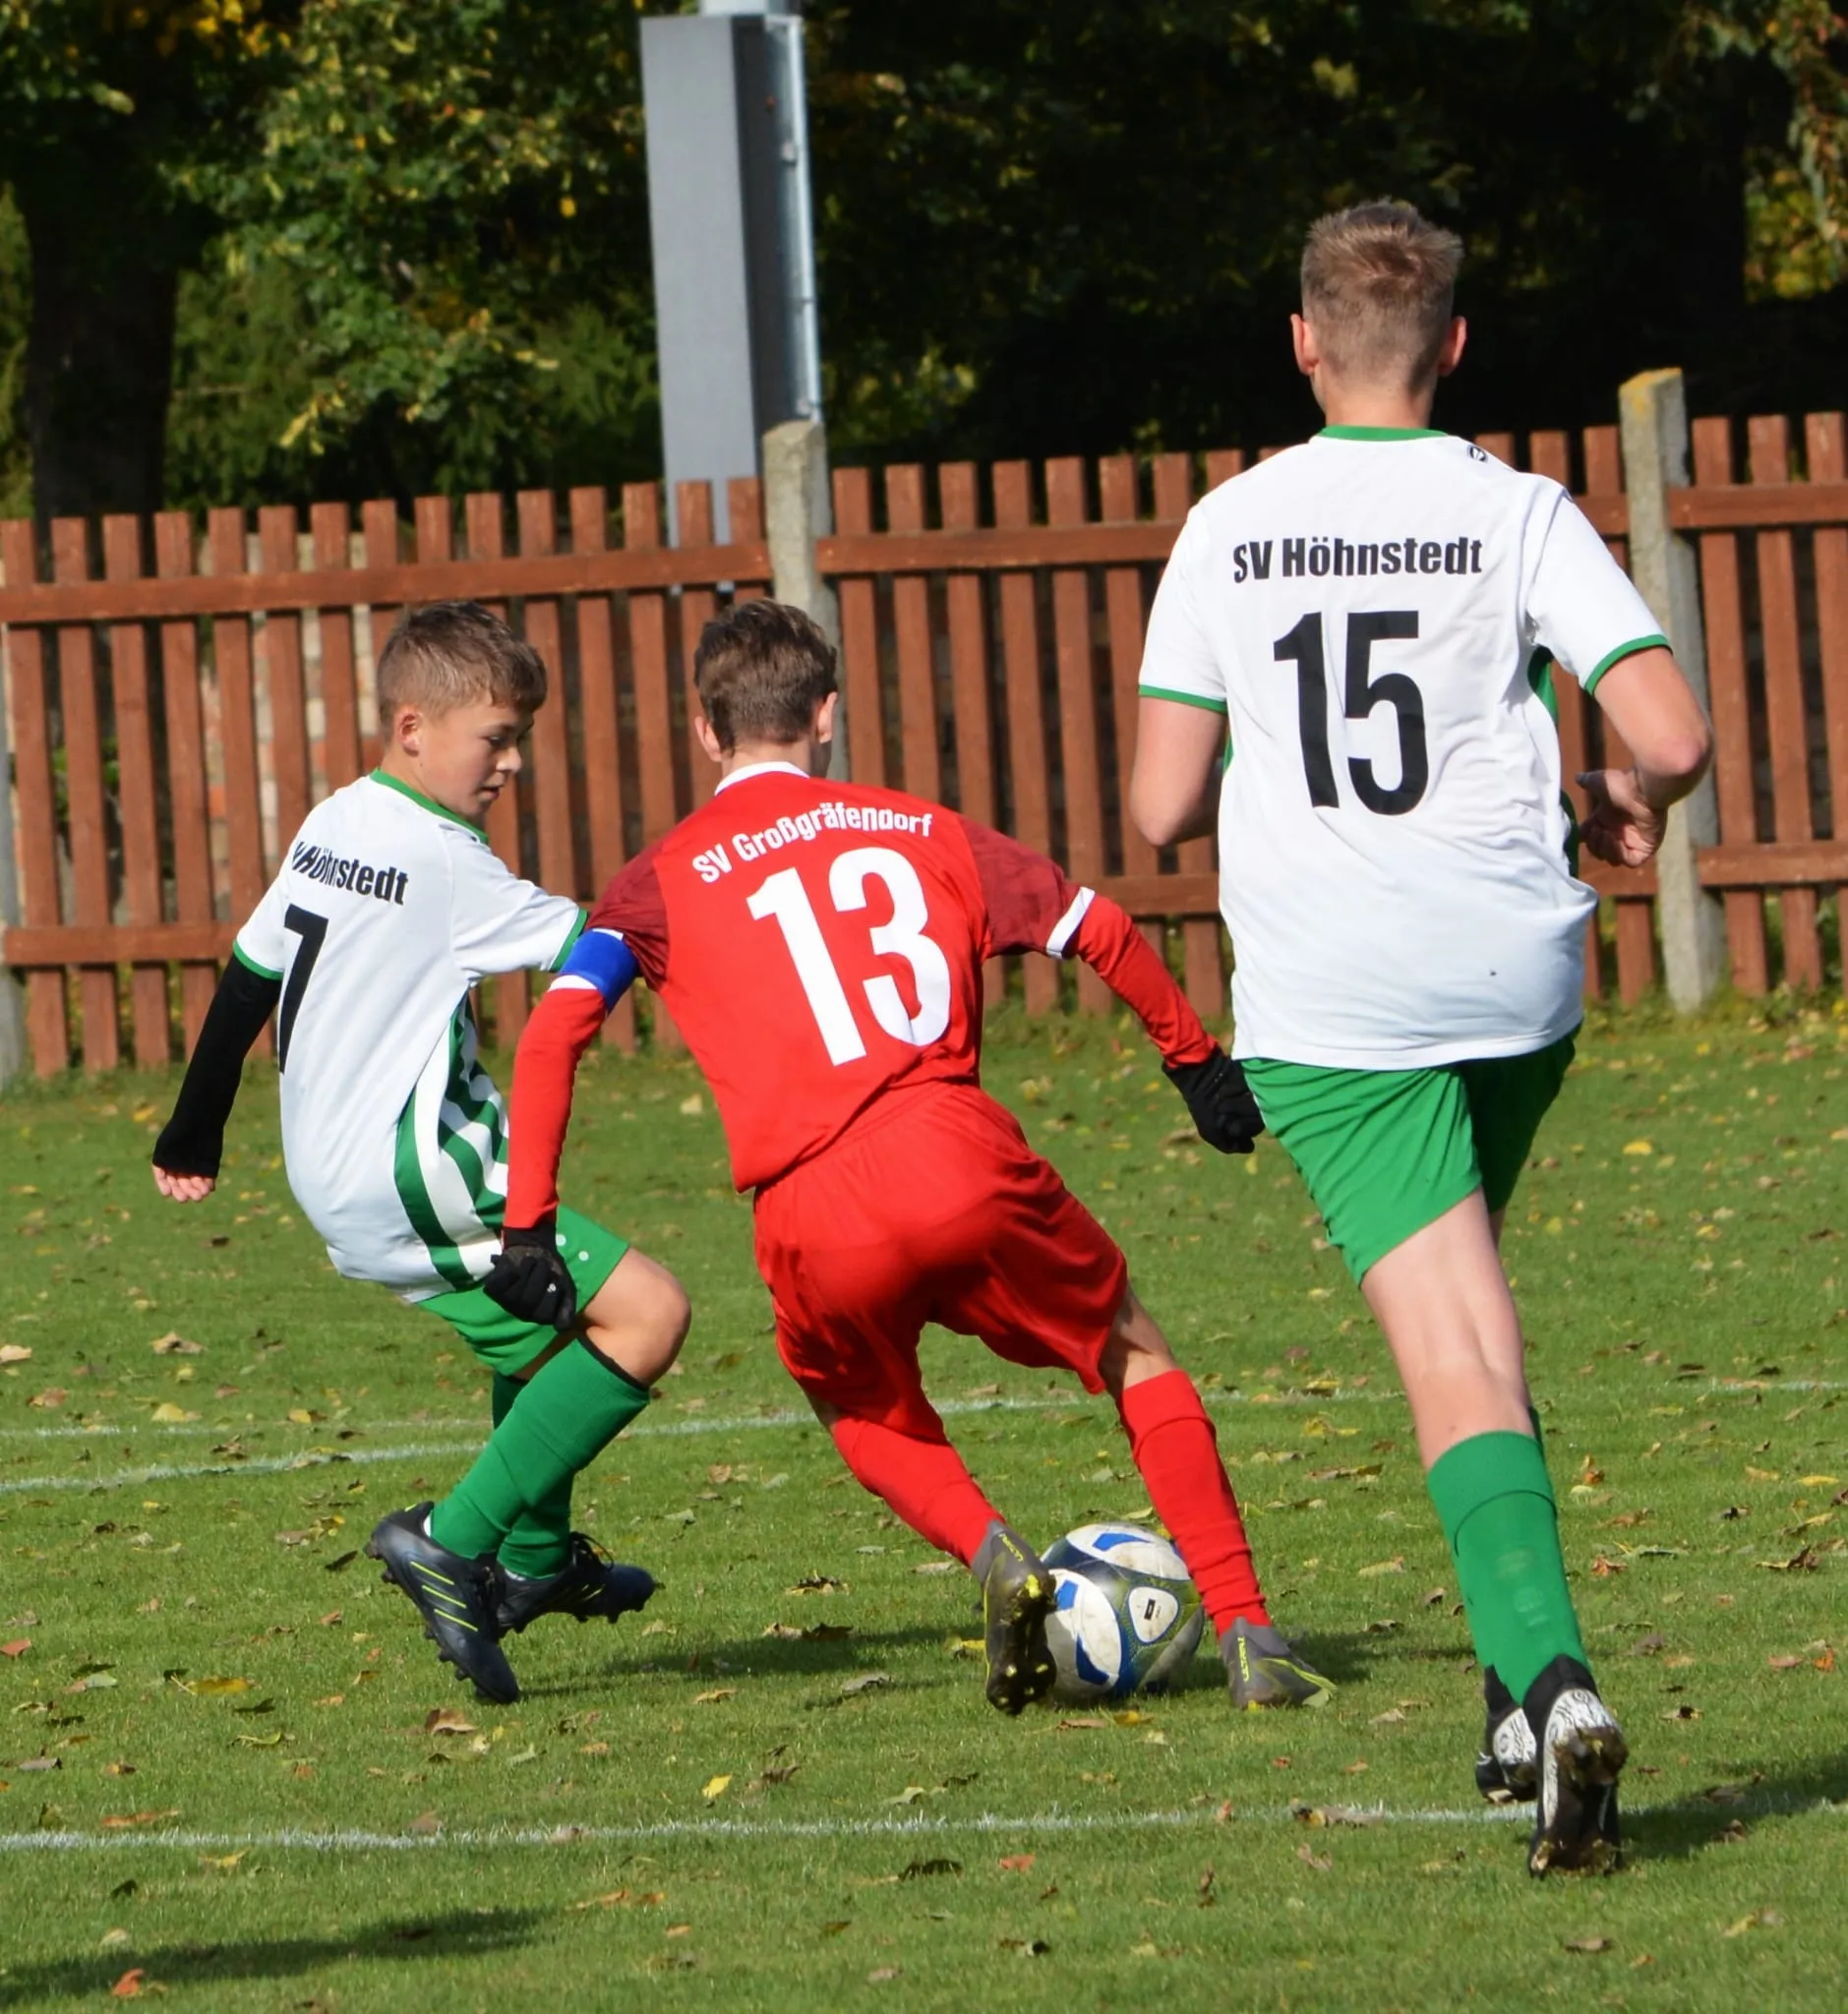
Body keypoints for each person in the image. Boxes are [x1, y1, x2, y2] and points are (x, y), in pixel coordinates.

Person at [1129, 202, 1713, 1873]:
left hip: (1336, 997)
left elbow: (1158, 804)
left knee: (1448, 1339)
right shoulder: (1512, 509)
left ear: (1300, 344)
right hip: (1509, 973)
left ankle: (1552, 1679)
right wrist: (1610, 791)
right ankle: (1506, 1696)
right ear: (1452, 345)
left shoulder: (1228, 526)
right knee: (1474, 1314)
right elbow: (1670, 736)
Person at [493, 597, 1328, 1718]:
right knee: (1132, 1349)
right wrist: (1194, 1060)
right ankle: (1248, 1629)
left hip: (808, 1208)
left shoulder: (658, 879)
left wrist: (528, 1224)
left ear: (703, 730)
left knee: (860, 1407)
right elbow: (1098, 926)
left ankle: (993, 1554)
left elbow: (552, 1034)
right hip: (958, 1152)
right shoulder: (919, 827)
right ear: (825, 714)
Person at [151, 601, 688, 1706]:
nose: (510, 763)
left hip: (335, 1162)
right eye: (495, 738)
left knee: (543, 1323)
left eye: (517, 740)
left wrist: (194, 1125)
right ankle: (451, 1540)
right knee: (648, 1315)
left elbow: (250, 973)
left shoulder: (337, 818)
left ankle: (535, 1566)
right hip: (412, 1164)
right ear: (412, 727)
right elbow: (602, 943)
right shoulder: (445, 858)